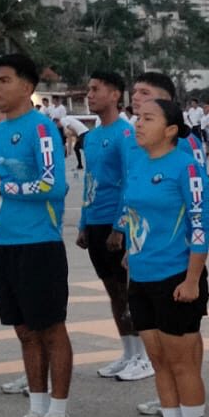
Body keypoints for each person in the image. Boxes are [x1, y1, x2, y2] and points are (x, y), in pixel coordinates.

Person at [0, 52, 75, 417]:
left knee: (50, 329)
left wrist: (5, 187)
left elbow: (55, 185)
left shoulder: (41, 130)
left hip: (39, 243)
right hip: (6, 244)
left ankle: (59, 413)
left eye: (4, 80)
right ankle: (36, 409)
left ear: (27, 87)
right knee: (23, 330)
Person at [119, 97, 209, 417]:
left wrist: (192, 279)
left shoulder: (186, 168)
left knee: (182, 362)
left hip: (176, 276)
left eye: (148, 118)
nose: (138, 124)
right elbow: (132, 215)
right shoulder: (139, 163)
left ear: (171, 130)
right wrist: (130, 254)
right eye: (137, 117)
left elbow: (200, 227)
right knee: (158, 360)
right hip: (141, 276)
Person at [76, 69, 150, 381]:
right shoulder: (91, 137)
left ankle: (145, 356)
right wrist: (83, 222)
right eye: (89, 89)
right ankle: (129, 351)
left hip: (115, 223)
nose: (90, 95)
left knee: (128, 291)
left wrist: (121, 226)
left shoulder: (125, 134)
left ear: (114, 95)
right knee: (112, 291)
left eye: (96, 89)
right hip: (95, 221)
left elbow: (130, 182)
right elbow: (89, 182)